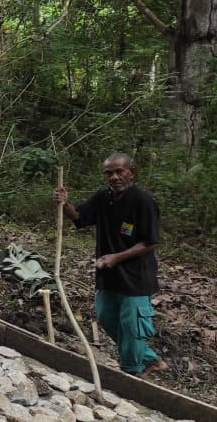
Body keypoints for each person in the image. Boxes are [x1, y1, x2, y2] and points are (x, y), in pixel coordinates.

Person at [54, 153, 168, 377]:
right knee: (105, 315)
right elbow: (79, 218)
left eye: (119, 171)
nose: (114, 177)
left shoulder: (142, 201)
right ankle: (149, 359)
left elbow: (151, 241)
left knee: (132, 326)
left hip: (135, 277)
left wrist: (116, 257)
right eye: (109, 173)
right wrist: (64, 203)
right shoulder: (103, 198)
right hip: (108, 274)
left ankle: (132, 373)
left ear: (131, 173)